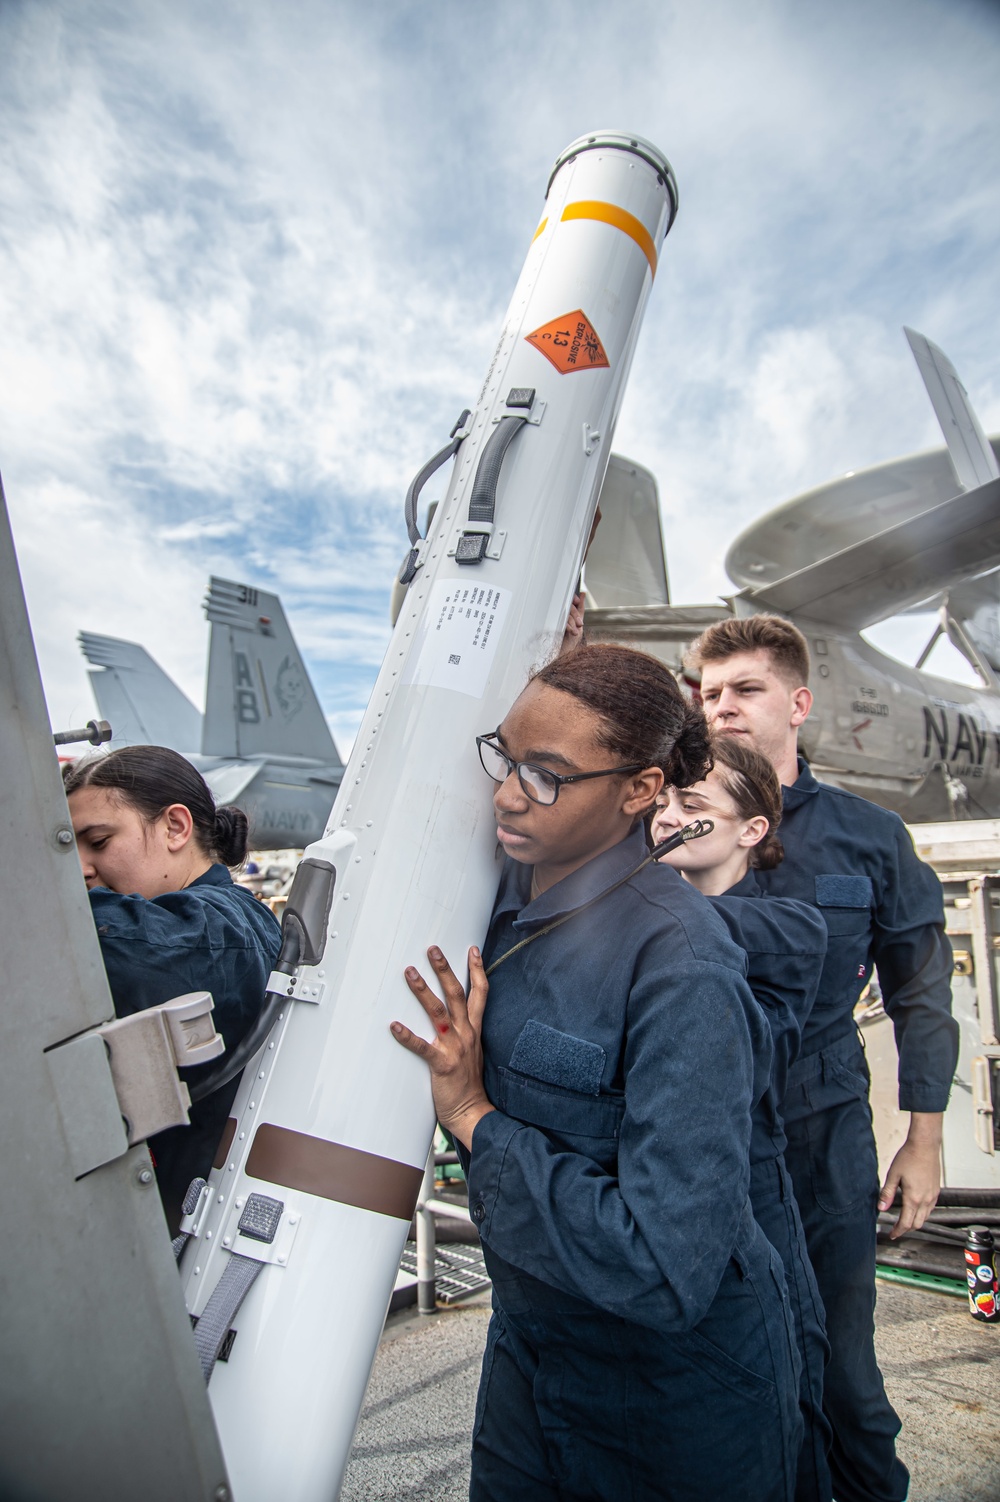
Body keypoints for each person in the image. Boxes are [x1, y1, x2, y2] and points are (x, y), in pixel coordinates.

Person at [391, 643, 801, 1502]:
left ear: (641, 790)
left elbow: (663, 1265)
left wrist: (473, 1116)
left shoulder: (683, 964)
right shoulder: (488, 902)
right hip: (532, 1355)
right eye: (504, 758)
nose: (507, 793)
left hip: (672, 1394)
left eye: (545, 775)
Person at [686, 614, 959, 1502]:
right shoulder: (663, 826)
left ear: (798, 704)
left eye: (744, 689)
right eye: (709, 691)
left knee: (842, 1366)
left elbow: (920, 991)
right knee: (719, 1362)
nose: (720, 706)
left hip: (821, 1120)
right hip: (698, 1122)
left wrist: (924, 1137)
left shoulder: (870, 838)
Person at [652, 734, 832, 1502]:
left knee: (782, 1408)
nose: (666, 818)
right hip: (663, 1194)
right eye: (660, 802)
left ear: (751, 830)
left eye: (691, 805)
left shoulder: (789, 929)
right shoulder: (650, 915)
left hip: (752, 1198)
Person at [64, 746, 282, 1234]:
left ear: (176, 828)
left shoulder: (225, 927)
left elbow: (137, 952)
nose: (79, 868)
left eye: (98, 841)